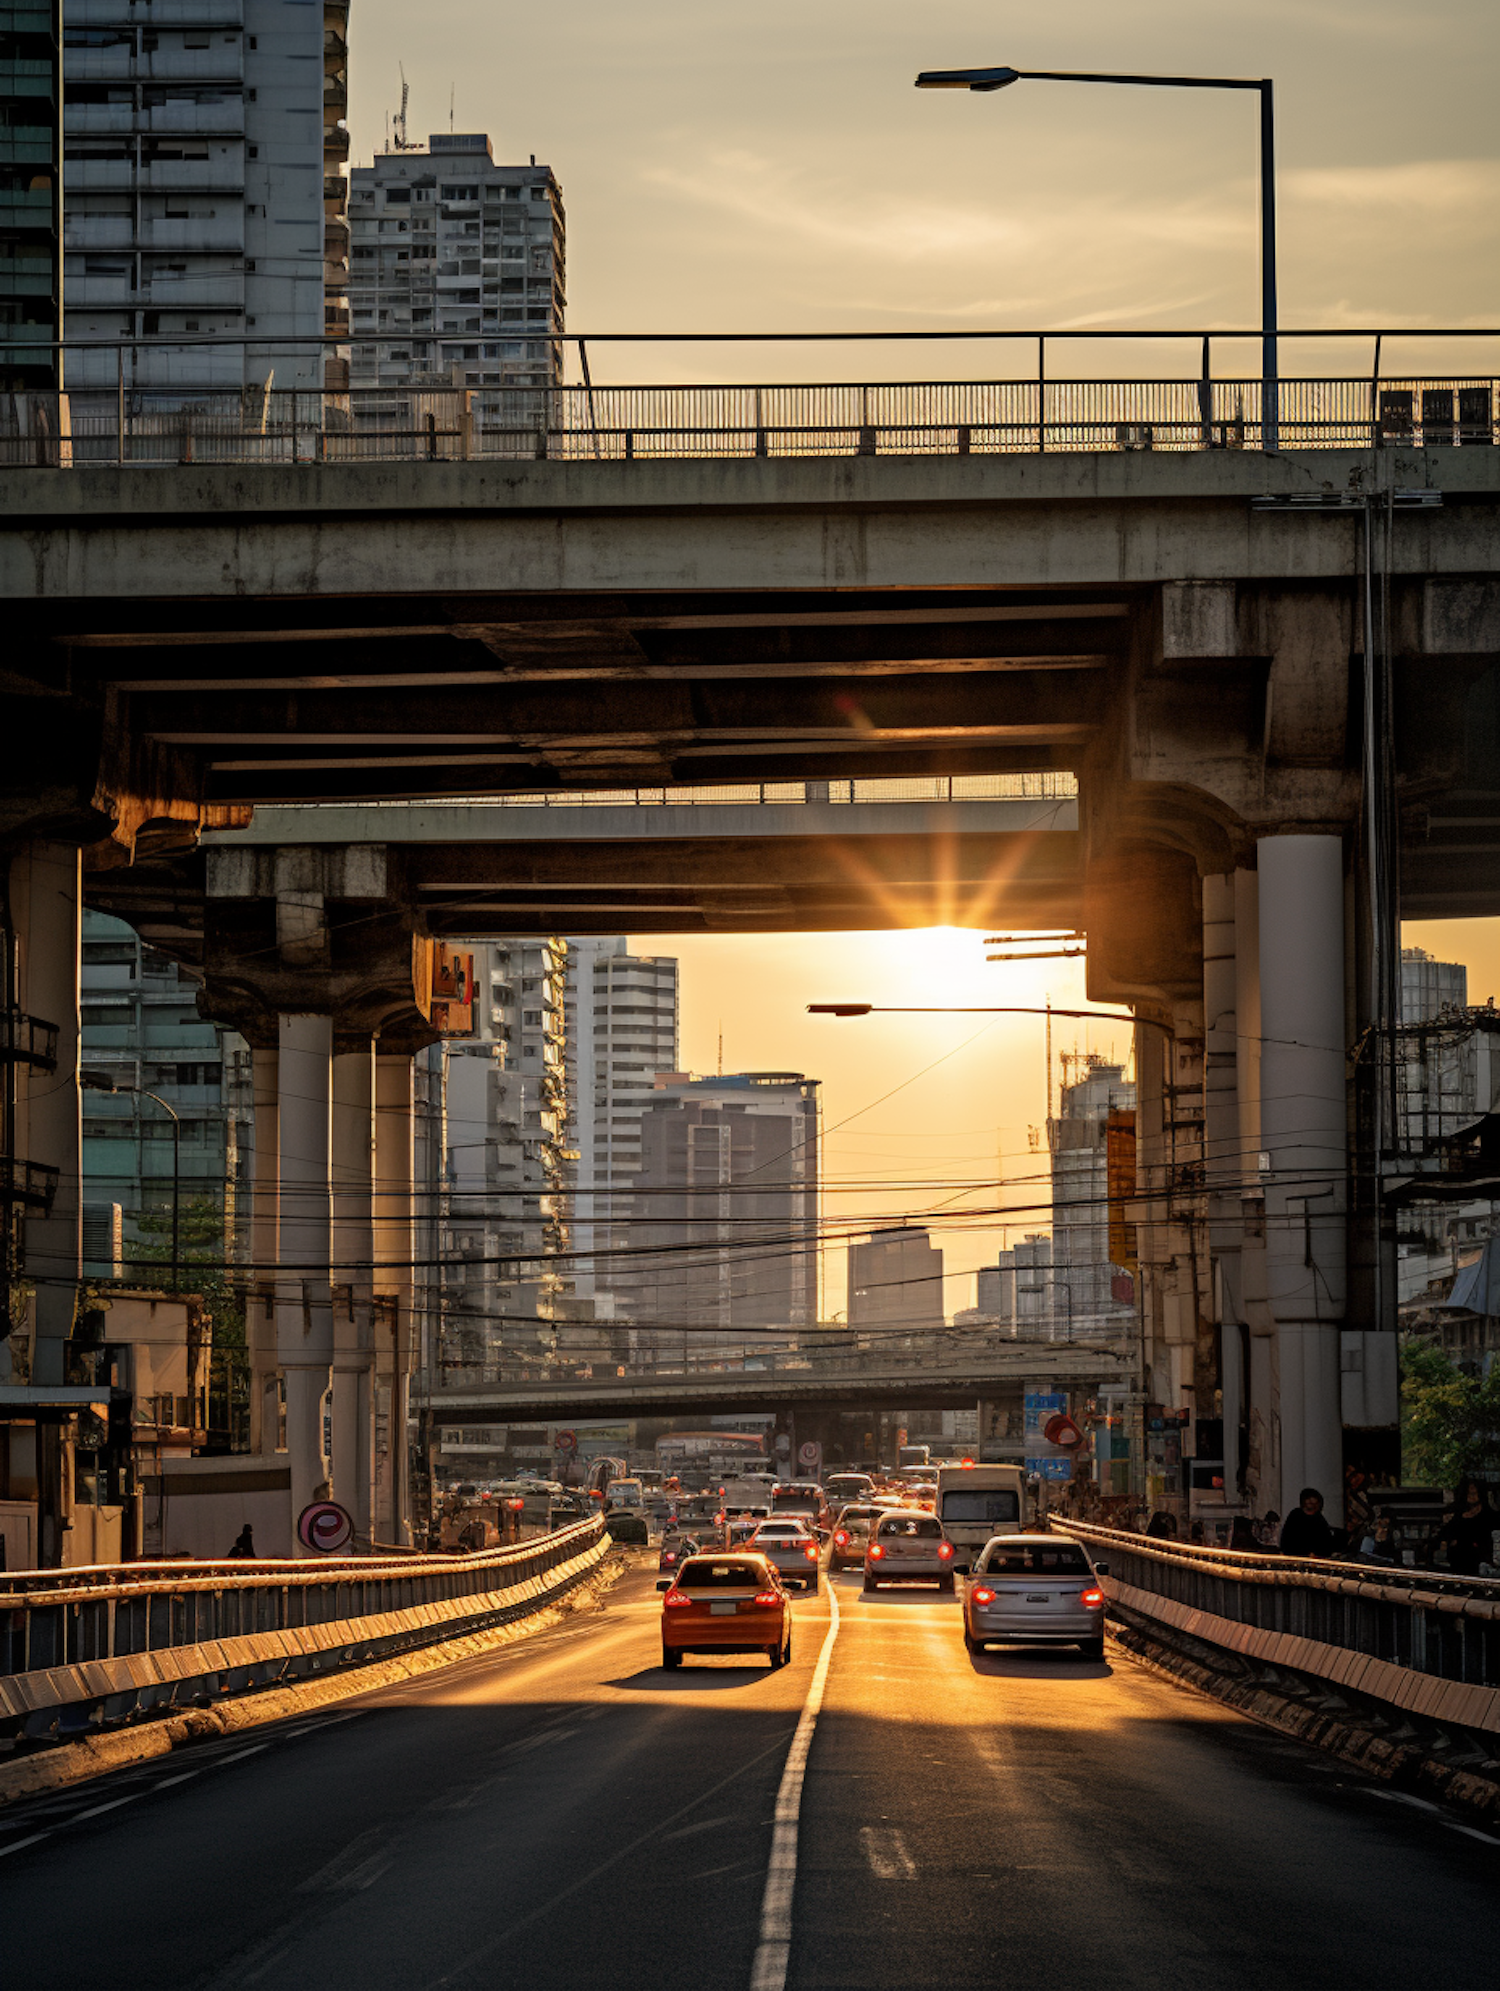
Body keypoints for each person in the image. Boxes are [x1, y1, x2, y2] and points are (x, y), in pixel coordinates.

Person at [1428, 1480, 1497, 1576]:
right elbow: (1447, 1531)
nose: (1471, 1496)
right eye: (1469, 1493)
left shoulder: (1489, 1515)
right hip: (1457, 1558)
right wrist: (1445, 1541)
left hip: (1478, 1559)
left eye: (1474, 1493)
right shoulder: (1459, 1512)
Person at [1279, 1487, 1336, 1558]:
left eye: (1315, 1503)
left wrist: (1316, 1553)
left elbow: (1326, 1542)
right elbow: (1287, 1539)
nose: (1312, 1505)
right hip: (1296, 1556)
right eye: (1310, 1502)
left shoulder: (1319, 1519)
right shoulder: (1295, 1515)